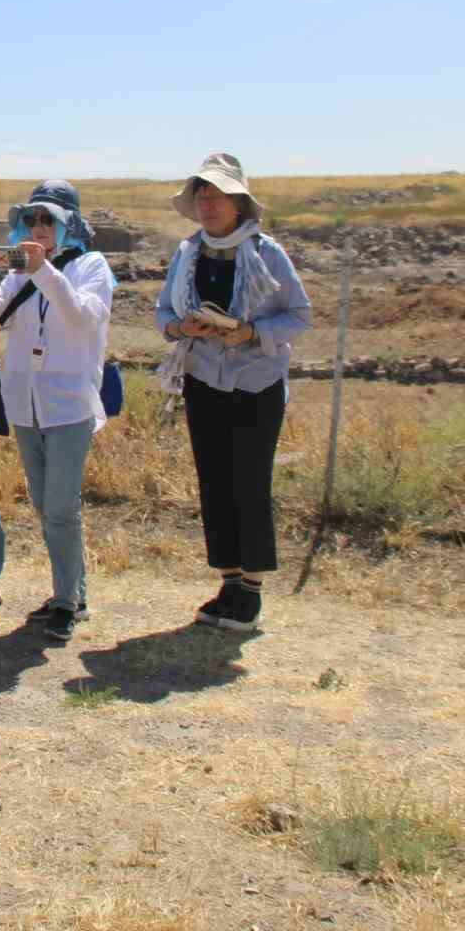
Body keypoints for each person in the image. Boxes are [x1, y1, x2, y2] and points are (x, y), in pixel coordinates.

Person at [155, 153, 312, 632]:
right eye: (201, 194)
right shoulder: (187, 254)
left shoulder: (267, 254)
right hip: (203, 380)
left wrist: (249, 333)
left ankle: (252, 590)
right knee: (215, 482)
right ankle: (228, 583)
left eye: (216, 194)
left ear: (239, 203)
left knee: (250, 482)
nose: (207, 202)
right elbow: (163, 313)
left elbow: (299, 316)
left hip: (255, 385)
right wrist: (181, 326)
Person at [0, 182, 114, 642]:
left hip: (68, 403)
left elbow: (82, 316)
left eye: (48, 220)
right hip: (25, 402)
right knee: (46, 505)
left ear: (68, 225)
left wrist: (44, 272)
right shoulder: (20, 272)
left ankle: (65, 602)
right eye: (32, 219)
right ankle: (72, 591)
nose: (39, 228)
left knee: (60, 506)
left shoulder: (91, 267)